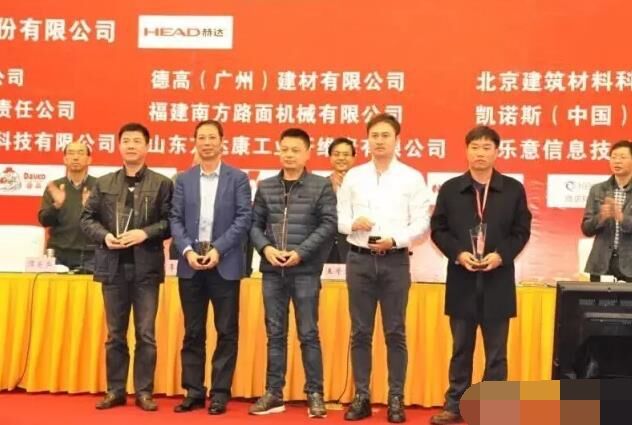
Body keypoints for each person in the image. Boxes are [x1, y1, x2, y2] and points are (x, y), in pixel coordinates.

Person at [429, 125, 531, 425]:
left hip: (498, 280)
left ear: (497, 152)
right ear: (466, 151)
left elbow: (521, 231)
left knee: (496, 352)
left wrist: (501, 256)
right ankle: (455, 404)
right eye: (475, 147)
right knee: (461, 349)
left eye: (487, 147)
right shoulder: (451, 188)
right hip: (462, 279)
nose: (480, 153)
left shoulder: (512, 189)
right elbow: (438, 230)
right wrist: (458, 253)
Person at [337, 113, 431, 423]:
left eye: (385, 135)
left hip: (395, 261)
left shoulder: (411, 177)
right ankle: (361, 396)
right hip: (360, 260)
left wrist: (396, 239)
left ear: (397, 140)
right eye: (374, 135)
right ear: (367, 139)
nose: (379, 141)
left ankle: (395, 398)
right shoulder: (354, 176)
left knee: (395, 332)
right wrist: (353, 223)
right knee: (360, 332)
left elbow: (422, 222)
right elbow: (339, 217)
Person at [80, 122, 173, 412]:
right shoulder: (103, 183)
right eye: (126, 141)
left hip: (146, 269)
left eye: (137, 141)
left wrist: (145, 233)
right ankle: (115, 390)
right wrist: (105, 237)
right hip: (113, 267)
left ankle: (144, 392)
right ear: (119, 146)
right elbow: (87, 219)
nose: (131, 146)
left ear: (147, 146)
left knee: (146, 334)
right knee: (115, 334)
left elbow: (170, 222)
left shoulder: (162, 183)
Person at [249, 127, 337, 418]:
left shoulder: (320, 186)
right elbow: (254, 225)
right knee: (275, 334)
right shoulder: (265, 186)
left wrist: (300, 252)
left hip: (305, 271)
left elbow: (328, 225)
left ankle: (315, 394)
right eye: (284, 149)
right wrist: (266, 249)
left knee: (308, 333)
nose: (289, 155)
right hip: (272, 271)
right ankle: (274, 393)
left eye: (295, 150)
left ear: (307, 153)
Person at [170, 120, 252, 414]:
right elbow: (175, 218)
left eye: (212, 137)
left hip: (224, 263)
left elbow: (244, 218)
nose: (206, 143)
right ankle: (193, 391)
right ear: (195, 142)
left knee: (226, 330)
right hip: (191, 263)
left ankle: (219, 392)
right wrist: (187, 250)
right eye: (201, 138)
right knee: (193, 331)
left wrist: (219, 249)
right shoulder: (183, 179)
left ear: (222, 142)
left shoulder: (238, 178)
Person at [38, 141, 96, 271]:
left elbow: (108, 222)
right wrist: (56, 206)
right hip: (58, 253)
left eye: (80, 153)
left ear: (89, 160)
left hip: (90, 255)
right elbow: (44, 221)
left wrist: (90, 207)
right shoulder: (55, 187)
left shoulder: (99, 186)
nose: (75, 157)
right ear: (65, 159)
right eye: (71, 153)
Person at [581, 140, 632, 282]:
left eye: (623, 157)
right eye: (614, 157)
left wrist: (621, 217)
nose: (617, 161)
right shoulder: (598, 190)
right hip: (601, 265)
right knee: (597, 297)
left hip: (629, 266)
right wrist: (601, 217)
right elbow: (586, 229)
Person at [326, 137, 356, 263]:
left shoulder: (362, 185)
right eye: (337, 154)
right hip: (325, 248)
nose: (341, 158)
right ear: (330, 157)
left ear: (353, 158)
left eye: (346, 154)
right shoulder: (320, 185)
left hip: (353, 247)